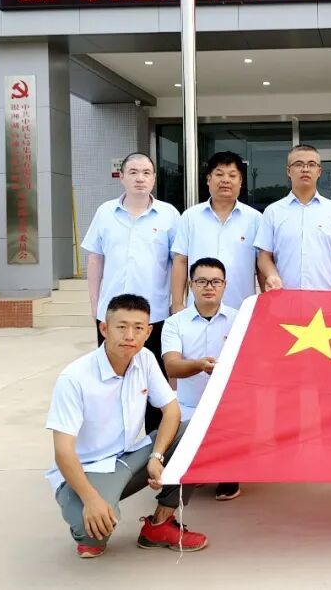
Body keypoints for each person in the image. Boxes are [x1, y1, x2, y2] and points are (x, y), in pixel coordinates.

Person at [45, 294, 208, 559]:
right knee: (93, 536)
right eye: (121, 327)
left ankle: (160, 524)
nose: (130, 336)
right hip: (89, 469)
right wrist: (92, 499)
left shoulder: (145, 358)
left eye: (138, 328)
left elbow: (171, 410)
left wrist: (156, 456)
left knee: (198, 432)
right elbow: (63, 451)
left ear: (149, 332)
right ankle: (88, 505)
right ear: (104, 329)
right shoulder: (74, 378)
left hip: (130, 457)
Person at [81, 152, 179, 434]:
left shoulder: (169, 215)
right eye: (133, 172)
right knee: (111, 380)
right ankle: (111, 440)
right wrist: (95, 305)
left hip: (154, 316)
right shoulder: (105, 213)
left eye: (146, 173)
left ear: (154, 179)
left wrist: (177, 303)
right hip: (112, 316)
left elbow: (178, 262)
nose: (140, 178)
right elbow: (95, 259)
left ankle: (155, 444)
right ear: (122, 177)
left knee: (153, 381)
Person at [162, 258, 240, 501]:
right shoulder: (174, 323)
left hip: (228, 408)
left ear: (224, 285)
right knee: (176, 472)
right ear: (190, 285)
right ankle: (194, 468)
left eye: (216, 282)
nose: (209, 287)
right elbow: (172, 367)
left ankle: (228, 473)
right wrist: (198, 365)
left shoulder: (239, 320)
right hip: (189, 406)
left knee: (239, 421)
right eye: (202, 281)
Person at [170, 151, 262, 314]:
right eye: (219, 174)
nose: (225, 180)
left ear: (241, 181)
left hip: (241, 310)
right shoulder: (190, 217)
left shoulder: (255, 219)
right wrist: (177, 303)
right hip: (197, 311)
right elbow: (180, 261)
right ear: (208, 179)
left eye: (232, 175)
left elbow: (261, 265)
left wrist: (266, 306)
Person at [255, 144, 331, 291]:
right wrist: (272, 275)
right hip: (285, 296)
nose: (305, 169)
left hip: (325, 297)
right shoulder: (273, 212)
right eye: (298, 164)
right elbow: (264, 256)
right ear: (288, 171)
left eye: (311, 164)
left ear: (319, 171)